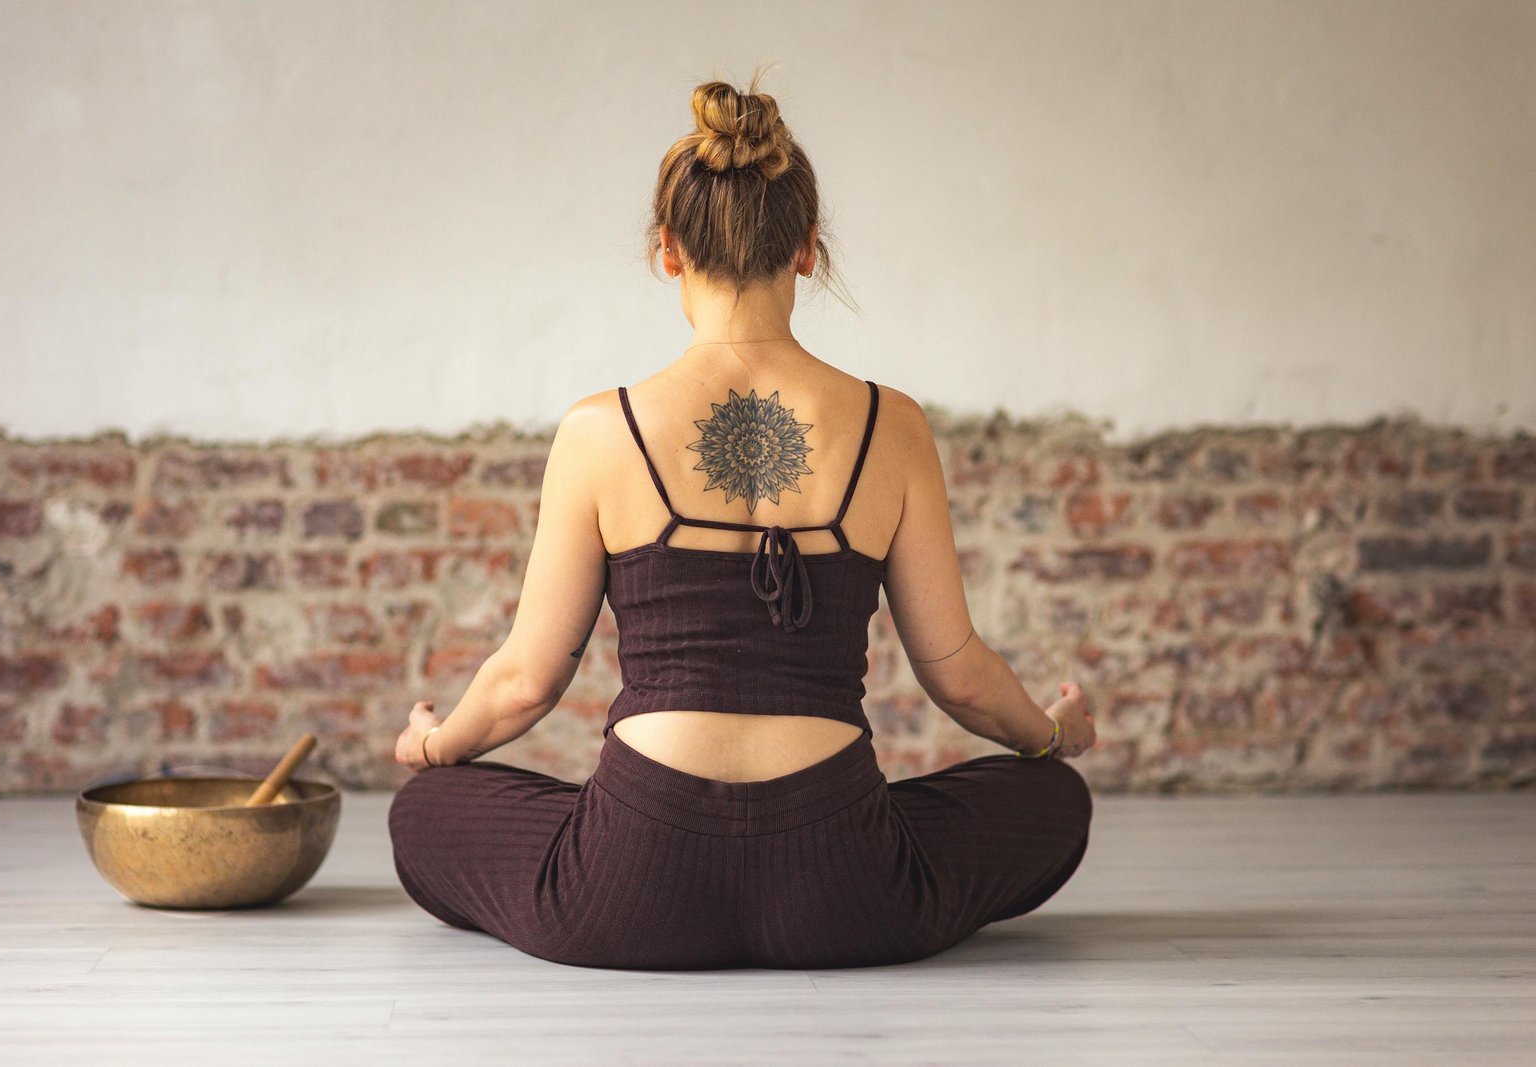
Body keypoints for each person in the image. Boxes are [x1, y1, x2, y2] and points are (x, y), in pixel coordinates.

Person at [388, 72, 1097, 970]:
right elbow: (958, 679)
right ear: (807, 249)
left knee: (422, 812)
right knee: (1054, 801)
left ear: (669, 251)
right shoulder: (893, 425)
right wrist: (1050, 732)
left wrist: (433, 741)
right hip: (843, 883)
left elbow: (526, 682)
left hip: (632, 881)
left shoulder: (601, 431)